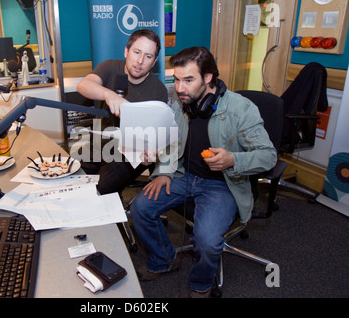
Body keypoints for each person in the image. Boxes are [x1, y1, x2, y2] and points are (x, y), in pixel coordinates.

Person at [130, 47, 277, 298]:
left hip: (223, 185)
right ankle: (165, 259)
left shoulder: (242, 109)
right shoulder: (181, 103)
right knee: (140, 208)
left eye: (188, 80)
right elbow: (171, 142)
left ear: (208, 78)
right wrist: (164, 170)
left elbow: (268, 156)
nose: (179, 88)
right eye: (176, 79)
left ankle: (201, 284)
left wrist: (233, 160)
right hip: (184, 175)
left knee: (207, 241)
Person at [75, 29, 168, 195]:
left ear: (154, 62)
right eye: (137, 52)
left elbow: (156, 135)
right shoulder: (110, 67)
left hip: (130, 154)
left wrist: (151, 153)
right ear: (126, 51)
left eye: (148, 56)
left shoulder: (158, 91)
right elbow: (83, 86)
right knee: (71, 179)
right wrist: (108, 94)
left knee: (97, 191)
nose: (140, 61)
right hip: (98, 143)